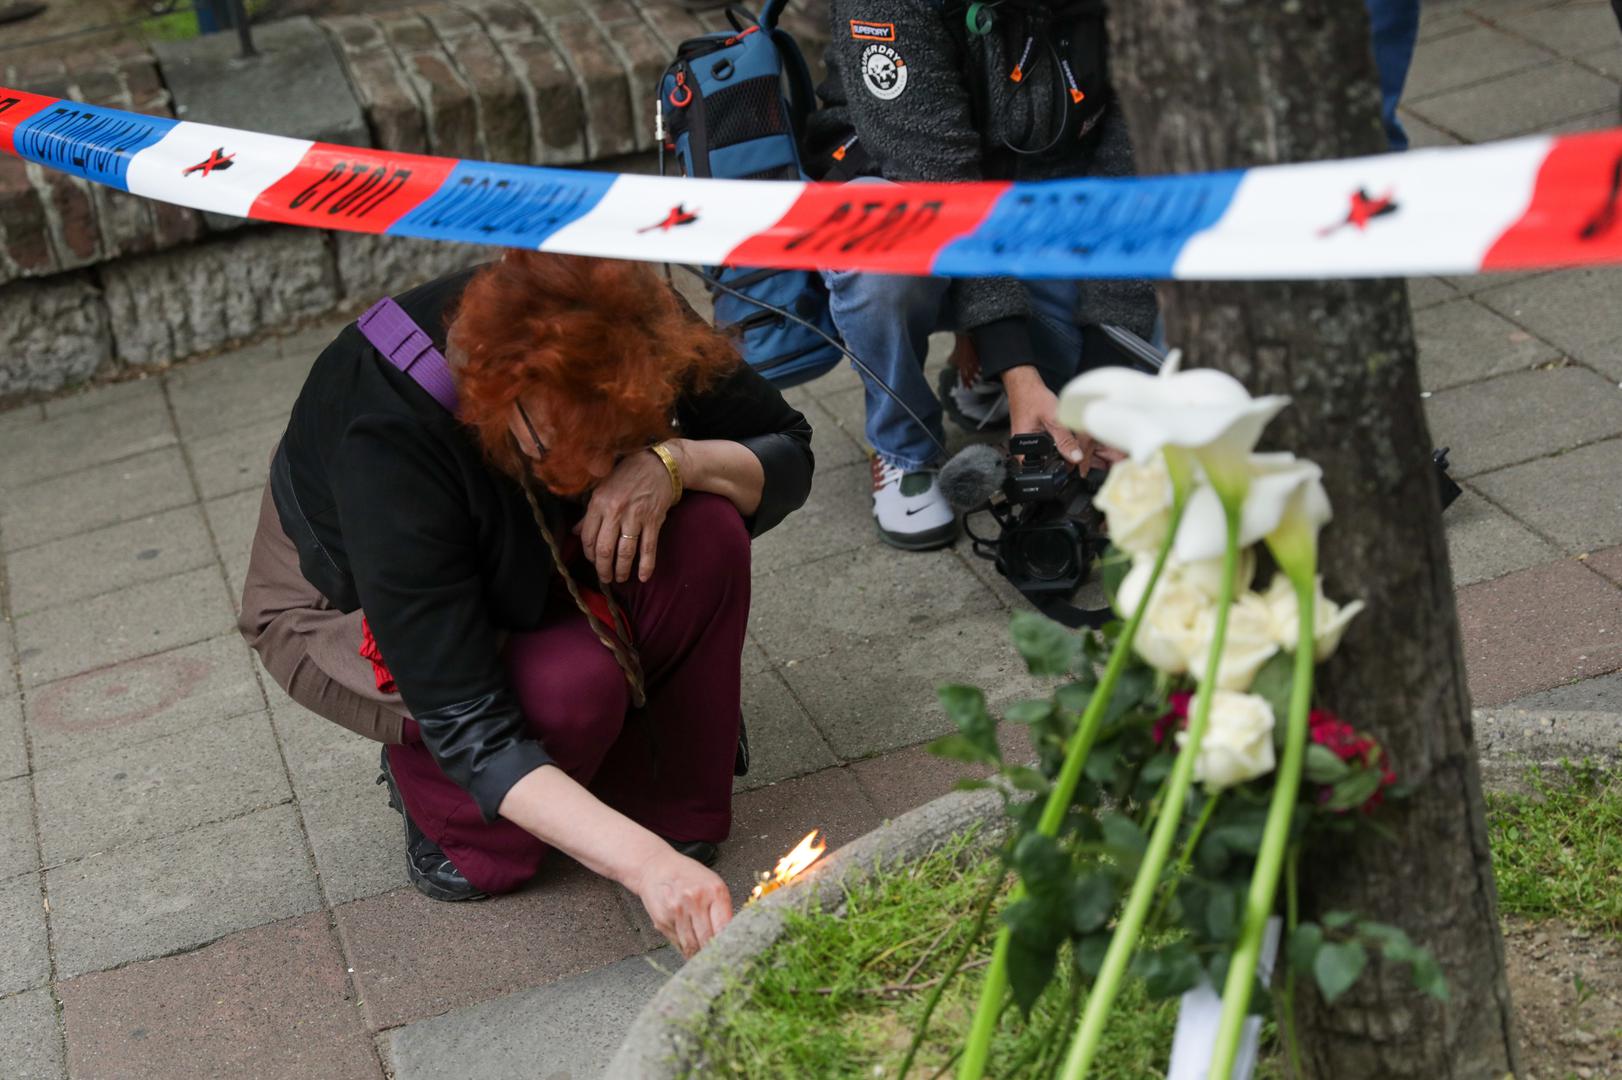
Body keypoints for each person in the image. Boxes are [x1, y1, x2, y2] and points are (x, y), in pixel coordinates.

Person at [238, 251, 814, 958]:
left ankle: (658, 789)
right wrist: (648, 870)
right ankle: (443, 810)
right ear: (501, 394)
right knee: (565, 690)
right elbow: (474, 725)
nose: (598, 472)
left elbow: (788, 452)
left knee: (708, 529)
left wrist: (673, 462)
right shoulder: (389, 440)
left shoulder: (630, 319)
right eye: (571, 447)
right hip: (350, 605)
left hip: (523, 542)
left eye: (617, 442)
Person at [802, 0, 1157, 550]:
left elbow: (1134, 172)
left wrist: (1104, 379)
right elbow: (943, 186)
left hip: (1052, 209)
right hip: (916, 193)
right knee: (879, 263)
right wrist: (1014, 361)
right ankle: (904, 448)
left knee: (1175, 392)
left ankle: (1020, 381)